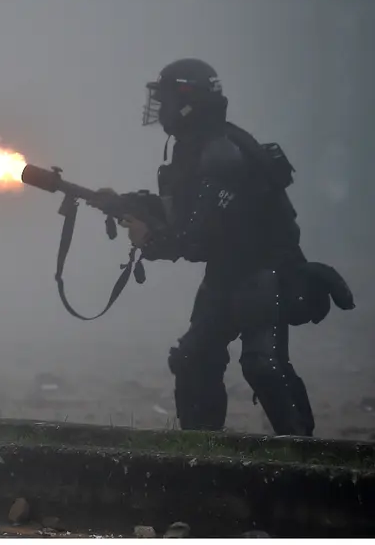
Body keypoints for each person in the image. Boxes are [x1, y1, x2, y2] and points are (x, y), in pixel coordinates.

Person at [96, 58, 353, 437]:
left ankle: (303, 453)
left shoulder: (222, 154)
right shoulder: (195, 147)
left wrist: (149, 239)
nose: (161, 108)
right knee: (193, 358)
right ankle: (203, 449)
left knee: (263, 365)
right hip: (226, 273)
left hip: (263, 274)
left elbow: (197, 238)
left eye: (167, 99)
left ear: (189, 101)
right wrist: (123, 203)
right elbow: (184, 211)